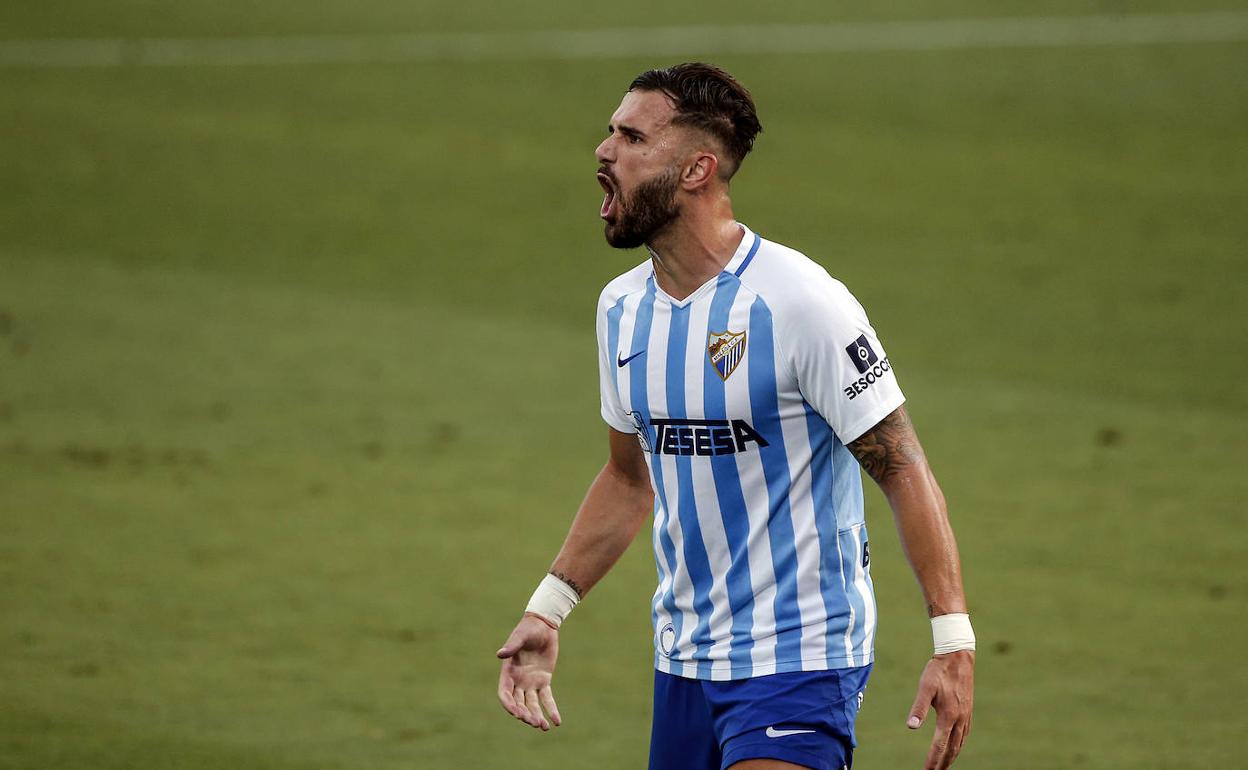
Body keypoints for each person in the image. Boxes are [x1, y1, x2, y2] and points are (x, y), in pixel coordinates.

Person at [496, 62, 975, 770]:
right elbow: (629, 479)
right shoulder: (621, 310)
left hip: (801, 657)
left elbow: (902, 466)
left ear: (697, 169)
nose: (605, 150)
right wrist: (549, 607)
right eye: (611, 132)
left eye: (632, 137)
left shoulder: (801, 302)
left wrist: (953, 640)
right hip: (684, 660)